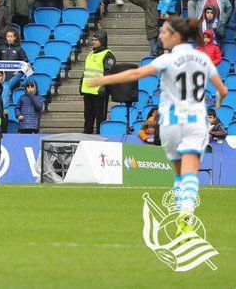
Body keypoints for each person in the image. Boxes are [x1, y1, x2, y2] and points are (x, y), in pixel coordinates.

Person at [87, 16, 228, 233]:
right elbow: (222, 90)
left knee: (180, 171)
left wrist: (104, 80)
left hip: (171, 123)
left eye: (164, 32)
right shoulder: (203, 59)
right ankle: (185, 211)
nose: (161, 35)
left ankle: (182, 208)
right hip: (196, 122)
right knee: (189, 172)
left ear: (175, 36)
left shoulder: (167, 60)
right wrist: (218, 102)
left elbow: (136, 74)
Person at [79, 30, 113, 135]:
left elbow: (109, 73)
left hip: (99, 92)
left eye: (96, 39)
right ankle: (87, 134)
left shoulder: (108, 55)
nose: (93, 41)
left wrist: (103, 87)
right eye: (93, 39)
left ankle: (99, 136)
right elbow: (86, 72)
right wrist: (81, 84)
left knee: (100, 117)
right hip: (88, 91)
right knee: (88, 116)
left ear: (102, 41)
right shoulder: (90, 54)